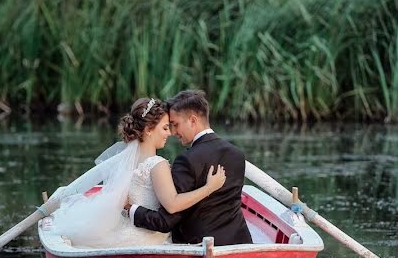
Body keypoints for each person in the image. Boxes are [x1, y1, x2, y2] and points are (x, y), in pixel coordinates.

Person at [47, 97, 226, 248]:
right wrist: (209, 187)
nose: (170, 133)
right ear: (149, 130)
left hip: (125, 228)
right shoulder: (157, 164)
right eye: (165, 128)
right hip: (148, 237)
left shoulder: (125, 160)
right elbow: (172, 204)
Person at [128, 89, 253, 246]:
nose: (173, 132)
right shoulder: (237, 155)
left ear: (193, 120)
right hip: (239, 243)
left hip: (198, 246)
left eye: (175, 124)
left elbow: (166, 221)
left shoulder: (187, 160)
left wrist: (130, 209)